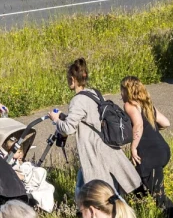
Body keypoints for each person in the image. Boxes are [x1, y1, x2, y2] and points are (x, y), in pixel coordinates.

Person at [48, 58, 142, 198]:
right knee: (89, 184)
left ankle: (114, 216)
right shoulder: (94, 93)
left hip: (94, 151)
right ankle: (82, 210)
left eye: (68, 79)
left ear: (73, 80)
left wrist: (56, 120)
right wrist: (64, 116)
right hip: (106, 144)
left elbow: (68, 129)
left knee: (105, 194)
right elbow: (88, 119)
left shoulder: (77, 100)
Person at [121, 76, 173, 218]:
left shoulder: (130, 105)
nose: (120, 93)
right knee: (136, 185)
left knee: (159, 195)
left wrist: (134, 146)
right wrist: (152, 132)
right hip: (162, 150)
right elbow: (166, 123)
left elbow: (138, 124)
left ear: (127, 90)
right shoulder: (146, 104)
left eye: (122, 89)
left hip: (148, 155)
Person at [1, 136, 56, 212]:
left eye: (21, 151)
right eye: (18, 152)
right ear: (10, 152)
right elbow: (17, 175)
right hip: (23, 181)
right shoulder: (8, 163)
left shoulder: (17, 161)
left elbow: (25, 169)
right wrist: (24, 177)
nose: (21, 154)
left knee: (46, 184)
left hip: (28, 176)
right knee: (42, 188)